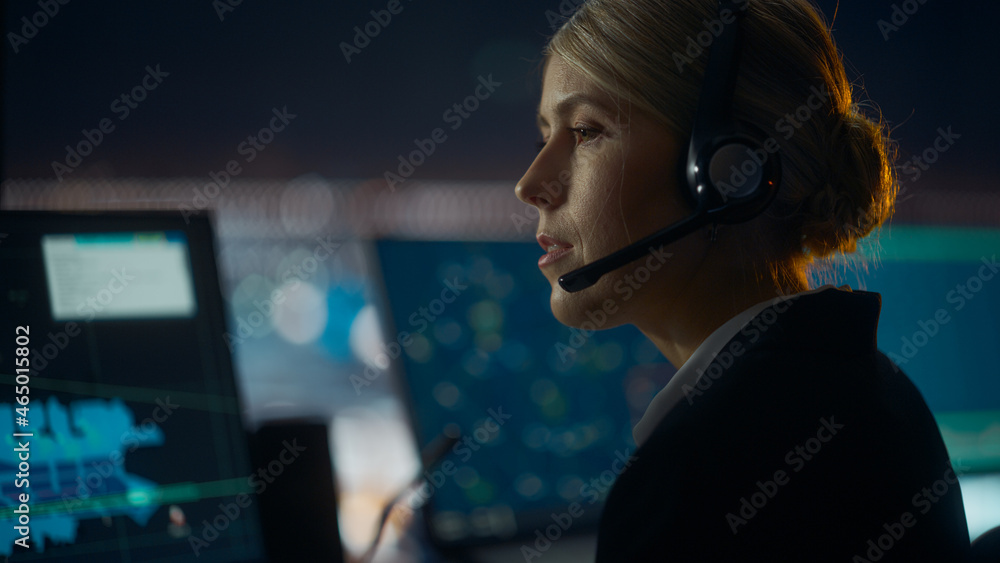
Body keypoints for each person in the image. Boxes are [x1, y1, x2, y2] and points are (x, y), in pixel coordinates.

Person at [514, 0, 972, 560]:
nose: (531, 184)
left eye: (586, 131)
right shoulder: (874, 390)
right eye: (545, 137)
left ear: (725, 170)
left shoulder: (696, 477)